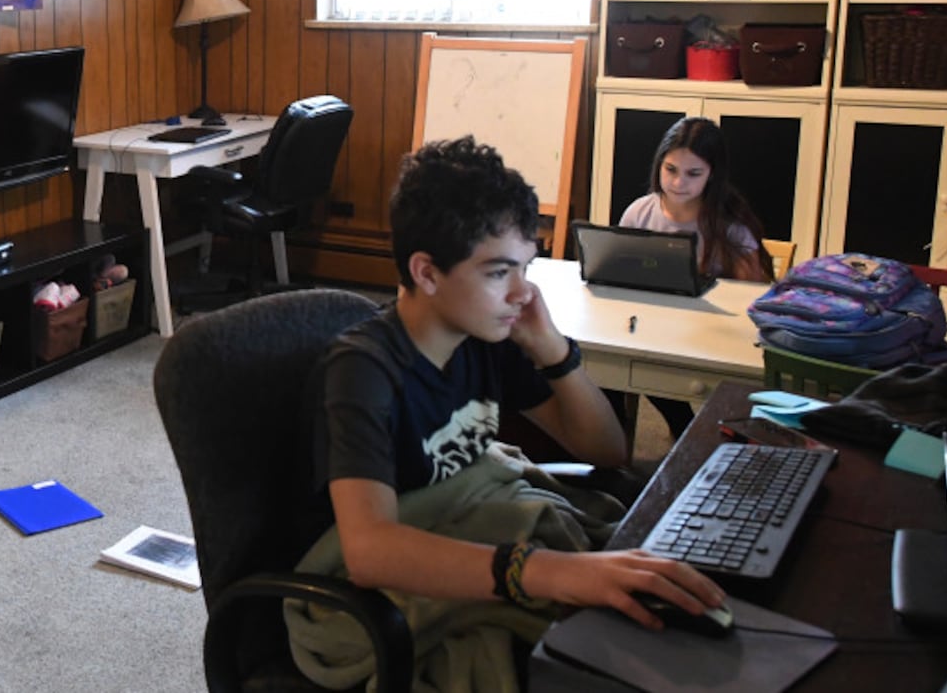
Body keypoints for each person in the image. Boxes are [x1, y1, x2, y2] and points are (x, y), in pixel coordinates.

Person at [290, 137, 724, 683]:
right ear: (426, 273)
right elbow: (370, 550)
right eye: (500, 272)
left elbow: (604, 449)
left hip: (469, 537)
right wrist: (544, 572)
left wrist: (554, 352)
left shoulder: (486, 339)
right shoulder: (364, 372)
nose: (524, 293)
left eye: (526, 268)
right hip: (373, 594)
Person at [618, 116, 773, 438]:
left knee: (653, 364)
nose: (678, 183)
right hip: (652, 330)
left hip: (711, 337)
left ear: (712, 175)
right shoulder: (639, 212)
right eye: (670, 169)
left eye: (693, 173)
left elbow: (750, 300)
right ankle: (622, 444)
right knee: (613, 368)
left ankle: (685, 430)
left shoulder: (730, 229)